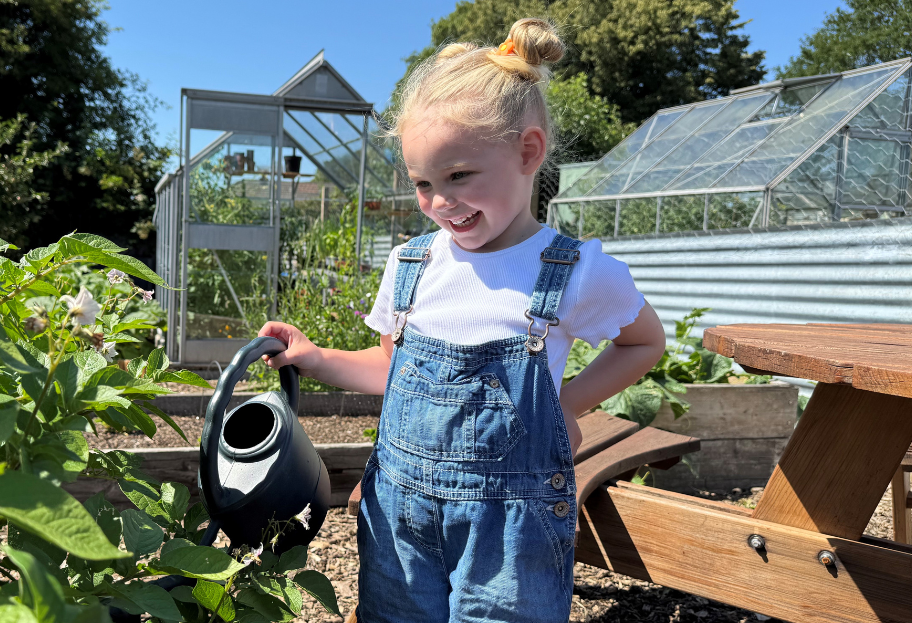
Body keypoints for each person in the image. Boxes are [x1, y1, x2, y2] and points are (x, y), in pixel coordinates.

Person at [257, 17, 665, 623]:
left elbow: (644, 342)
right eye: (423, 183)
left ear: (528, 152)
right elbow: (392, 366)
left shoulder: (574, 271)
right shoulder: (412, 264)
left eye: (458, 176)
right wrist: (314, 358)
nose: (440, 203)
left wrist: (563, 407)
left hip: (510, 529)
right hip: (401, 516)